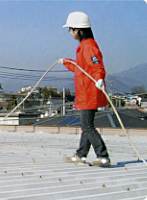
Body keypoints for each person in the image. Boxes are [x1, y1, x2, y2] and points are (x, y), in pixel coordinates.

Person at [59, 11, 110, 166]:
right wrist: (66, 62)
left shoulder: (88, 46)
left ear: (78, 30)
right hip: (85, 93)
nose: (70, 33)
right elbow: (80, 68)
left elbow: (96, 65)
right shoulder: (84, 47)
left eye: (71, 29)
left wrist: (100, 78)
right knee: (86, 126)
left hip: (89, 92)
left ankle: (103, 156)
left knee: (87, 126)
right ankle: (80, 155)